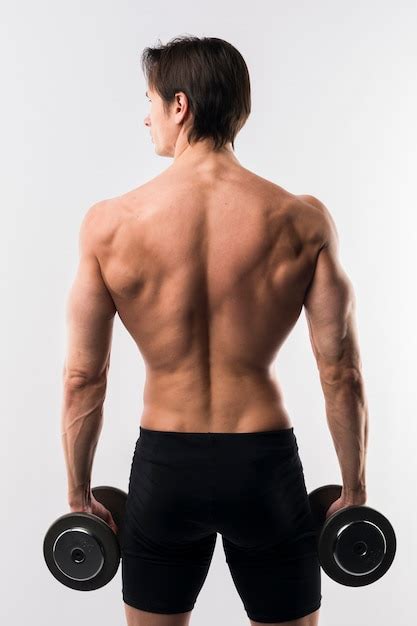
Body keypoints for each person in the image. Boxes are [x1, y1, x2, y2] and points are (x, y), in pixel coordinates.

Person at [61, 35, 369, 626]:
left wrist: (79, 495)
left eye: (149, 99)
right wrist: (353, 490)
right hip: (264, 466)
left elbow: (83, 377)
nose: (143, 114)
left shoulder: (111, 225)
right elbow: (343, 372)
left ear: (180, 106)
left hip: (164, 466)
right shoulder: (299, 220)